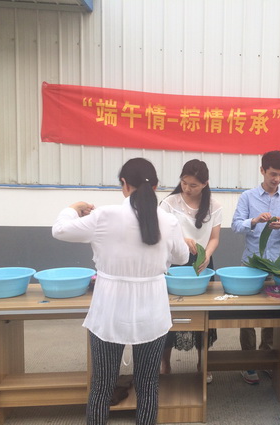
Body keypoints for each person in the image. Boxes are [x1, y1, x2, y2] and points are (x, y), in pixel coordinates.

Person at [52, 158, 189, 425]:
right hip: (152, 310)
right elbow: (182, 258)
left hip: (109, 310)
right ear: (156, 186)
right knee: (148, 385)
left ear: (124, 184)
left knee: (102, 385)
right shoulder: (169, 221)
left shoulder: (104, 216)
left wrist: (72, 209)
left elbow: (59, 230)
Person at [231, 150, 280, 385]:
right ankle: (248, 362)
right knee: (247, 315)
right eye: (273, 174)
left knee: (273, 314)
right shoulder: (247, 197)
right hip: (251, 263)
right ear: (262, 171)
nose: (277, 179)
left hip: (277, 265)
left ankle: (267, 357)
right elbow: (236, 225)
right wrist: (255, 221)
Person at [159, 159, 222, 384]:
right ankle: (165, 363)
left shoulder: (214, 205)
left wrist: (207, 254)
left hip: (201, 262)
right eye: (184, 183)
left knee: (203, 314)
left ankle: (202, 363)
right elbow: (160, 233)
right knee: (169, 315)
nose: (187, 188)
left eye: (193, 185)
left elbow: (214, 238)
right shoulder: (169, 203)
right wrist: (181, 239)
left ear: (205, 184)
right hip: (175, 261)